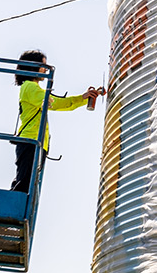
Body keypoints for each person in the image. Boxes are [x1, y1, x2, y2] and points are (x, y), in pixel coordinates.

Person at [10, 50, 102, 193]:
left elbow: (57, 103)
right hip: (31, 141)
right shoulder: (29, 86)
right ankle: (14, 203)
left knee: (28, 183)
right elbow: (56, 103)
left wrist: (83, 98)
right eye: (43, 65)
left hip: (34, 141)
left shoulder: (32, 88)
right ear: (33, 66)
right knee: (25, 184)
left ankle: (16, 202)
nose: (46, 69)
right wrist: (82, 98)